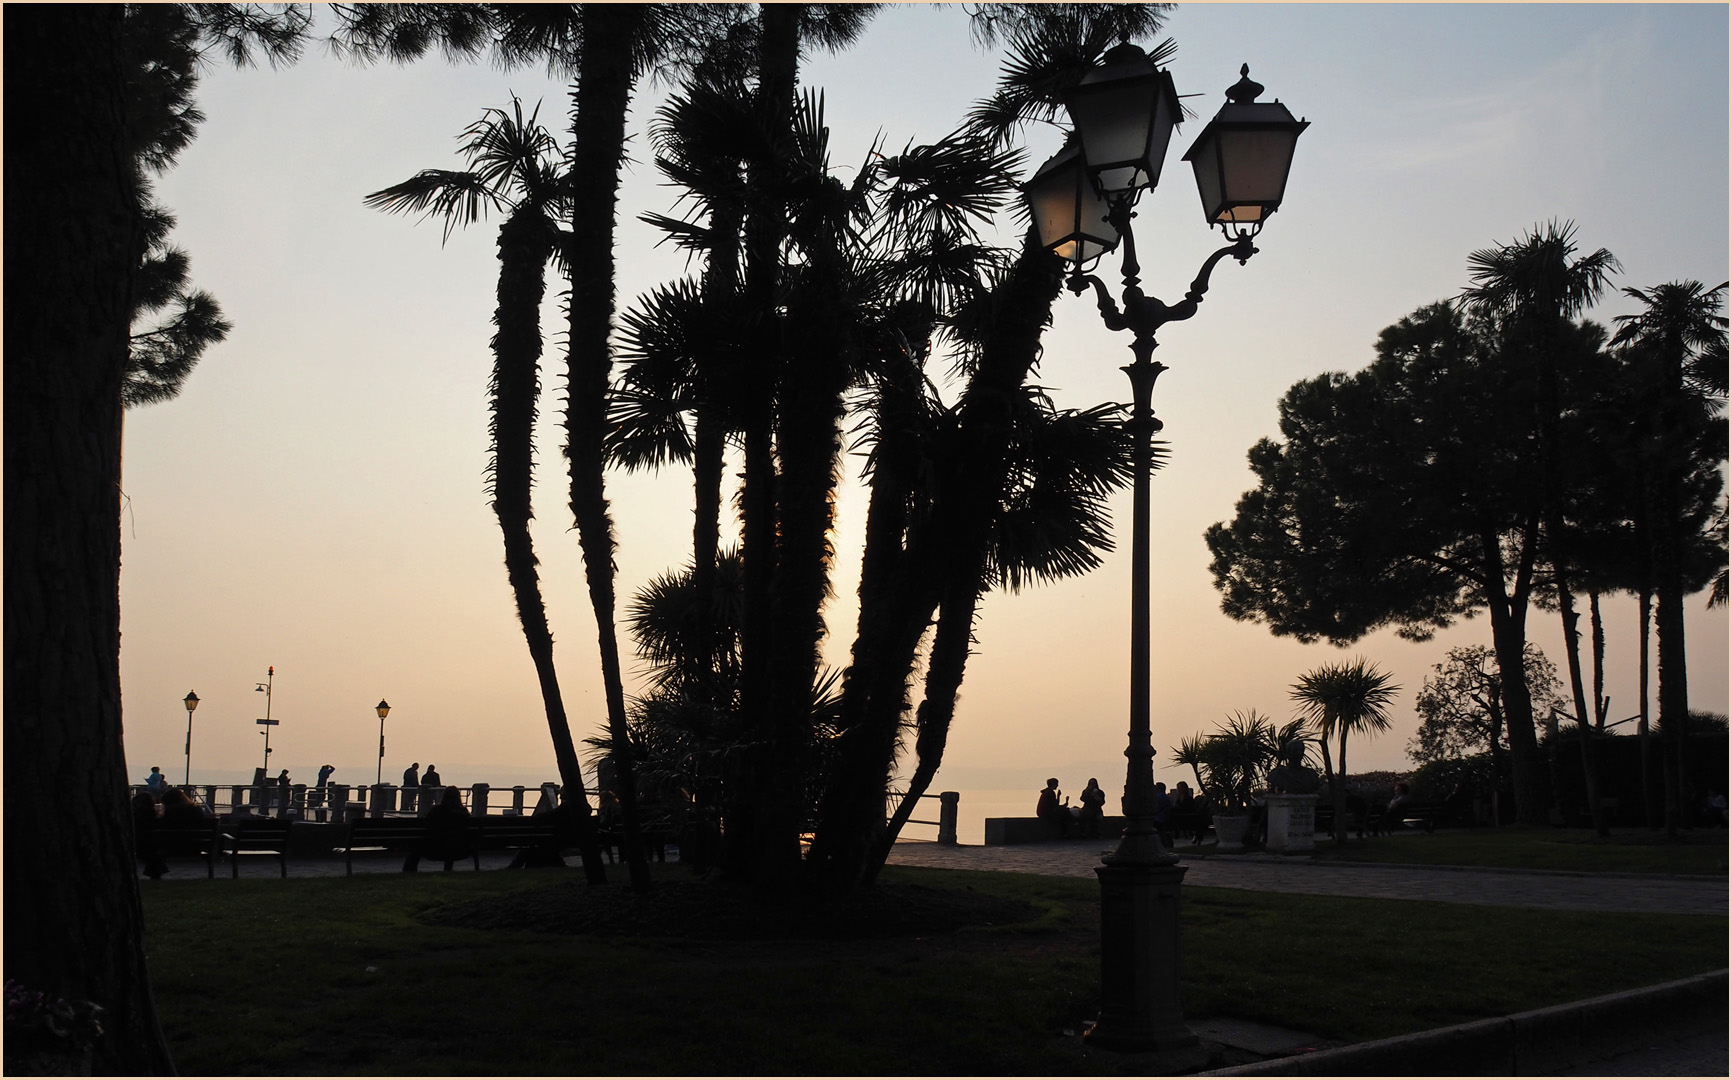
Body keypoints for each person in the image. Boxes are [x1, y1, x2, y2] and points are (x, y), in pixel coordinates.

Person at [405, 786, 473, 872]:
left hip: (435, 850)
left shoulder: (437, 811)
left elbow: (427, 826)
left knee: (416, 847)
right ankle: (448, 869)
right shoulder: (464, 813)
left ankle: (408, 870)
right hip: (461, 850)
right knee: (451, 842)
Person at [132, 792, 167, 880]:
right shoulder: (155, 818)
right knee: (154, 850)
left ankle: (156, 873)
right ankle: (156, 873)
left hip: (138, 845)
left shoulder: (134, 817)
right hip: (152, 847)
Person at [1152, 781, 1174, 846]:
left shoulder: (1159, 797)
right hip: (1164, 818)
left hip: (1159, 819)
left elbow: (1155, 809)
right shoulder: (1166, 797)